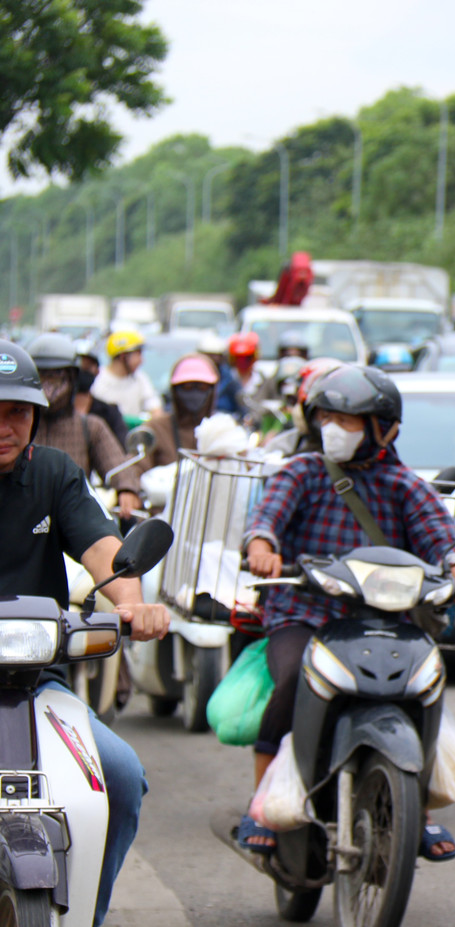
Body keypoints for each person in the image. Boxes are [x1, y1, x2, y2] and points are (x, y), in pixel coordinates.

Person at [241, 364, 455, 859]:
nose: (333, 428)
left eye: (347, 420)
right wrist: (262, 544)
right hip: (303, 615)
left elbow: (439, 536)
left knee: (424, 682)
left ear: (385, 428)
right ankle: (259, 800)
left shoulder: (403, 485)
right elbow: (266, 517)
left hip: (384, 620)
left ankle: (419, 805)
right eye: (326, 416)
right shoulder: (302, 472)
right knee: (291, 679)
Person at [0, 338, 169, 927]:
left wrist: (133, 602)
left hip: (33, 681)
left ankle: (86, 917)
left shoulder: (53, 473)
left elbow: (103, 549)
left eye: (16, 413)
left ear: (35, 416)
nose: (5, 428)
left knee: (121, 777)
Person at [28, 333, 143, 519]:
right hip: (23, 516)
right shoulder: (17, 424)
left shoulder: (90, 426)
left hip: (72, 519)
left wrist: (126, 490)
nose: (49, 385)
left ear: (73, 379)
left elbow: (117, 465)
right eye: (41, 376)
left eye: (57, 376)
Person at [133, 354, 221, 473]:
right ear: (174, 390)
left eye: (203, 387)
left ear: (212, 390)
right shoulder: (156, 428)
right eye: (187, 387)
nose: (195, 393)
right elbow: (136, 467)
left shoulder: (223, 430)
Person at [262, 357, 343, 457]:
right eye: (324, 414)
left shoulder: (359, 454)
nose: (330, 422)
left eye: (342, 418)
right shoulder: (283, 446)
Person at [90, 329, 162, 422]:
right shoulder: (98, 379)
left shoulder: (140, 379)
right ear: (123, 356)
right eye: (138, 354)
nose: (141, 361)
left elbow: (155, 408)